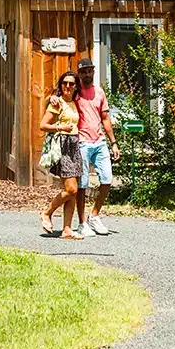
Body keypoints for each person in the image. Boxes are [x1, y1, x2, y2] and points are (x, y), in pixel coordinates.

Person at [53, 57, 120, 237]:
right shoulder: (75, 91)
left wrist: (113, 143)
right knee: (82, 185)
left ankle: (94, 215)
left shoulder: (99, 92)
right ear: (79, 73)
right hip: (81, 141)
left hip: (99, 141)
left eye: (89, 70)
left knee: (106, 179)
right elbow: (59, 95)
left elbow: (105, 118)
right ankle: (82, 223)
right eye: (83, 71)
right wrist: (53, 96)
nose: (87, 74)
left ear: (94, 71)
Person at [38, 71, 84, 239]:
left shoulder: (75, 103)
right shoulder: (57, 103)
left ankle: (67, 229)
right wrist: (61, 128)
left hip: (74, 146)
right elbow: (42, 125)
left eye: (72, 83)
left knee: (72, 192)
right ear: (61, 85)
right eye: (65, 83)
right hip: (63, 145)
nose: (68, 86)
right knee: (72, 189)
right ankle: (47, 212)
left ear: (76, 86)